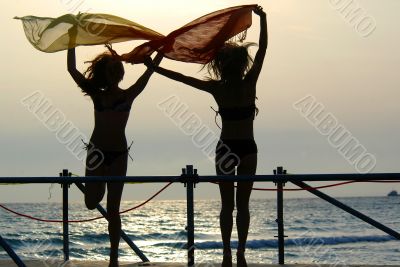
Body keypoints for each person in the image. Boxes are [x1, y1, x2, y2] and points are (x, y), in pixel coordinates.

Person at [145, 5, 267, 267]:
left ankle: (231, 253)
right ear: (240, 64)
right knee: (239, 206)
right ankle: (236, 253)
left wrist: (153, 66)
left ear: (221, 65)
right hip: (244, 147)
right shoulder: (247, 83)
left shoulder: (221, 87)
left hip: (229, 148)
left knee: (231, 206)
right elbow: (263, 52)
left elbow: (180, 78)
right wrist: (263, 21)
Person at [67, 26, 162, 267]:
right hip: (96, 153)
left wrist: (162, 49)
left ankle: (113, 258)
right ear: (103, 74)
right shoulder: (97, 95)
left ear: (118, 74)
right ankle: (97, 188)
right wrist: (72, 39)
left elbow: (149, 75)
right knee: (91, 202)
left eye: (114, 70)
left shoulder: (127, 95)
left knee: (113, 209)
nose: (111, 75)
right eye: (107, 71)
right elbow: (71, 70)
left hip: (118, 153)